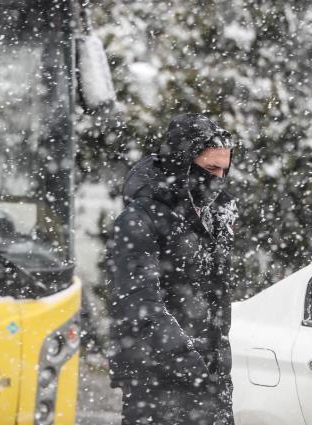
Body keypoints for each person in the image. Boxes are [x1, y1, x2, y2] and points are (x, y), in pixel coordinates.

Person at [106, 113, 238, 425]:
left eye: (223, 170)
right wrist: (187, 360)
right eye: (209, 169)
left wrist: (217, 366)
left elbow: (216, 300)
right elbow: (139, 302)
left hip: (207, 378)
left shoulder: (215, 219)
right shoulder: (139, 219)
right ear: (182, 163)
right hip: (155, 379)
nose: (217, 179)